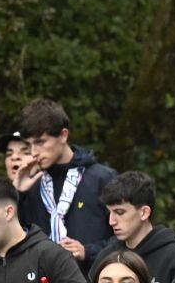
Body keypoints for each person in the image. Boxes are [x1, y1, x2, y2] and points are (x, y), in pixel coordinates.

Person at [14, 99, 117, 269]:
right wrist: (18, 195)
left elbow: (128, 236)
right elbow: (12, 243)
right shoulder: (32, 184)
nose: (34, 153)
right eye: (29, 145)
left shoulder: (102, 178)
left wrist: (88, 251)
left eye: (40, 142)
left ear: (63, 135)